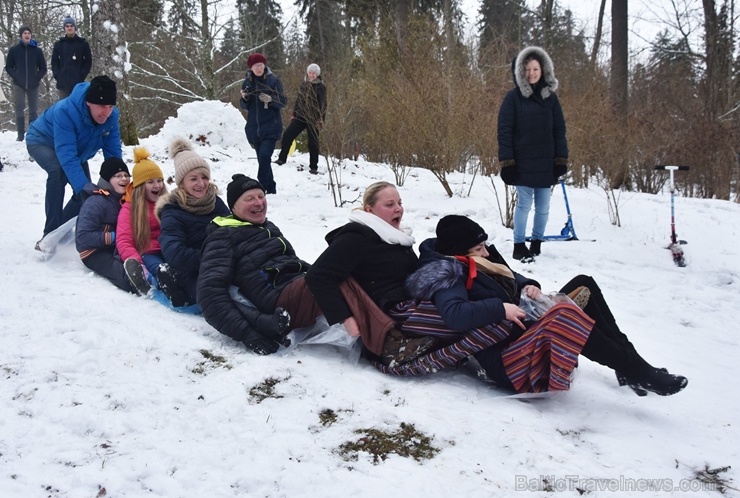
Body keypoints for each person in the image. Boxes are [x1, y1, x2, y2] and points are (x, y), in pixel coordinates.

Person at [399, 214, 688, 396]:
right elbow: (455, 316)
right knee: (564, 316)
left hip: (525, 325)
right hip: (508, 358)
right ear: (459, 252)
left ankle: (630, 365)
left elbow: (511, 276)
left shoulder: (479, 258)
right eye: (479, 249)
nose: (486, 251)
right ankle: (642, 373)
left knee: (584, 284)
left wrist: (528, 284)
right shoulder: (447, 274)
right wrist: (501, 309)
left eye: (485, 245)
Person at [198, 175, 420, 361]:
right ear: (233, 206)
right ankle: (386, 345)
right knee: (336, 277)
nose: (258, 202)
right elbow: (209, 292)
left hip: (295, 285)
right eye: (249, 199)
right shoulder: (223, 236)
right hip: (277, 298)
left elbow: (290, 261)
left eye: (261, 196)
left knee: (344, 271)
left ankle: (399, 325)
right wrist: (247, 334)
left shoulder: (268, 227)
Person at [305, 181, 437, 365]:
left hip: (412, 302)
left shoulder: (397, 237)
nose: (398, 209)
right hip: (390, 314)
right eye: (389, 205)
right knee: (460, 319)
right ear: (370, 210)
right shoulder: (357, 237)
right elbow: (318, 275)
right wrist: (346, 319)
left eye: (400, 203)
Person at [26, 75, 121, 248]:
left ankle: (59, 232)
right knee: (58, 173)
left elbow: (113, 155)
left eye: (110, 106)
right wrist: (83, 186)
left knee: (84, 195)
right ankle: (49, 234)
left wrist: (121, 182)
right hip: (41, 141)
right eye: (101, 106)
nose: (106, 112)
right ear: (88, 102)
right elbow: (66, 154)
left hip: (76, 151)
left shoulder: (111, 118)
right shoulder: (65, 111)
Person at [498, 46, 568, 262]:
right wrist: (507, 162)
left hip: (546, 163)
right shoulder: (513, 98)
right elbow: (505, 130)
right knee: (524, 205)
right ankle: (519, 245)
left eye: (535, 69)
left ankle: (536, 242)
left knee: (544, 207)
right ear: (520, 72)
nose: (531, 73)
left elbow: (559, 130)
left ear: (543, 70)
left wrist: (561, 160)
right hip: (523, 163)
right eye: (527, 69)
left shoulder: (551, 99)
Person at [155, 138, 230, 307]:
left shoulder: (215, 202)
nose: (201, 183)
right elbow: (175, 252)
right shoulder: (172, 210)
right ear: (181, 183)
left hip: (223, 265)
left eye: (204, 177)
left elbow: (233, 230)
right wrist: (214, 257)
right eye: (193, 179)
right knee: (220, 298)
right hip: (191, 272)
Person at [116, 147, 186, 305]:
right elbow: (124, 239)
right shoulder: (130, 209)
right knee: (158, 267)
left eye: (159, 180)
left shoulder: (169, 201)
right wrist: (136, 263)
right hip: (149, 251)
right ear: (140, 186)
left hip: (171, 246)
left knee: (180, 263)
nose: (158, 186)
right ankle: (158, 281)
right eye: (151, 182)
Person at [75, 157, 136, 293]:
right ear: (107, 180)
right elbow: (83, 237)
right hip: (94, 251)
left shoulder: (124, 200)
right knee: (125, 275)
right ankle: (136, 283)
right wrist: (115, 237)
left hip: (117, 247)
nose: (124, 179)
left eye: (126, 175)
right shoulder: (96, 202)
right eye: (118, 176)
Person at [239, 53, 287, 194]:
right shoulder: (247, 82)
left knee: (265, 156)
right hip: (254, 128)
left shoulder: (273, 81)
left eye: (261, 65)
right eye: (256, 66)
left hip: (271, 126)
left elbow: (283, 101)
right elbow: (245, 107)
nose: (259, 68)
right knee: (262, 160)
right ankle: (271, 187)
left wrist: (271, 100)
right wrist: (245, 98)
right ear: (251, 67)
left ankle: (260, 185)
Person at [275, 63, 327, 174]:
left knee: (313, 142)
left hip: (313, 118)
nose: (311, 75)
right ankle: (281, 159)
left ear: (317, 74)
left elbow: (323, 104)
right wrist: (294, 113)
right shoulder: (304, 85)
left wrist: (321, 119)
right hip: (300, 116)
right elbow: (298, 100)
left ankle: (313, 166)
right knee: (288, 135)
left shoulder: (321, 87)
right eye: (310, 73)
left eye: (313, 73)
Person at [4, 25, 47, 141]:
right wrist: (16, 76)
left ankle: (32, 133)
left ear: (31, 35)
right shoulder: (14, 50)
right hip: (19, 84)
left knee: (33, 109)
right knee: (19, 108)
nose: (27, 35)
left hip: (33, 84)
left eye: (28, 33)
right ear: (21, 35)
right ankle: (20, 134)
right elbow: (8, 67)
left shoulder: (37, 51)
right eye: (25, 33)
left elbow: (43, 68)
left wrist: (36, 78)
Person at [51, 16, 92, 99]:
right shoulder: (59, 44)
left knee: (77, 107)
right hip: (63, 83)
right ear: (64, 28)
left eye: (71, 26)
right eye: (67, 26)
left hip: (78, 82)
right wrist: (57, 75)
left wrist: (82, 75)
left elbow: (88, 61)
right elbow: (54, 61)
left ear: (75, 27)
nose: (69, 28)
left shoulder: (83, 44)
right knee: (63, 108)